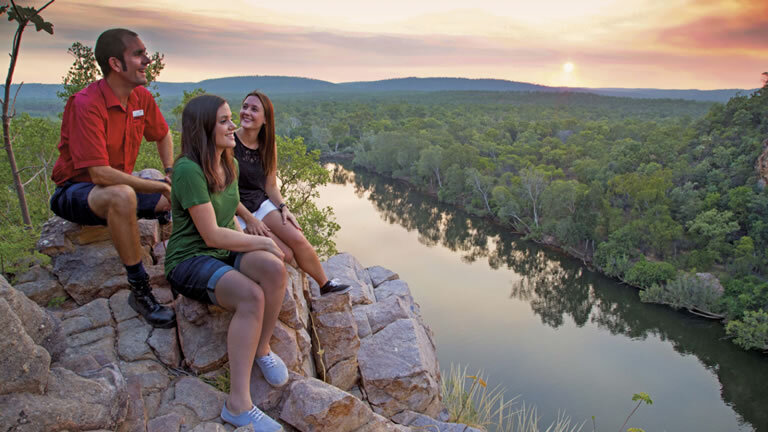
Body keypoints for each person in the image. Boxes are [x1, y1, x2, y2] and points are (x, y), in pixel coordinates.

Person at [164, 95, 287, 431]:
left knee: (276, 269)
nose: (234, 125)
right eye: (224, 121)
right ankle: (238, 405)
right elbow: (211, 235)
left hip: (220, 250)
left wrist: (258, 241)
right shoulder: (188, 169)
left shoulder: (226, 160)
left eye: (231, 118)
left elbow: (231, 214)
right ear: (204, 128)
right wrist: (262, 240)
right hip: (190, 259)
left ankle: (262, 348)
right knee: (251, 296)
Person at [50, 28, 175, 328]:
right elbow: (100, 174)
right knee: (123, 196)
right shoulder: (86, 103)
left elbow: (163, 134)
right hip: (78, 190)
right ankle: (140, 290)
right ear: (116, 64)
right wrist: (159, 185)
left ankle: (187, 259)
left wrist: (169, 173)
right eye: (138, 54)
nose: (147, 60)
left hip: (117, 184)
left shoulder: (140, 97)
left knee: (180, 194)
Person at [233, 91, 349, 295]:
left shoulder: (268, 145)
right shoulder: (230, 143)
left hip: (260, 203)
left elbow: (270, 186)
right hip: (237, 211)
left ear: (266, 119)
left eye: (254, 109)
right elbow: (225, 193)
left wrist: (284, 208)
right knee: (284, 254)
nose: (246, 112)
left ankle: (325, 285)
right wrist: (250, 220)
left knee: (297, 237)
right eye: (245, 107)